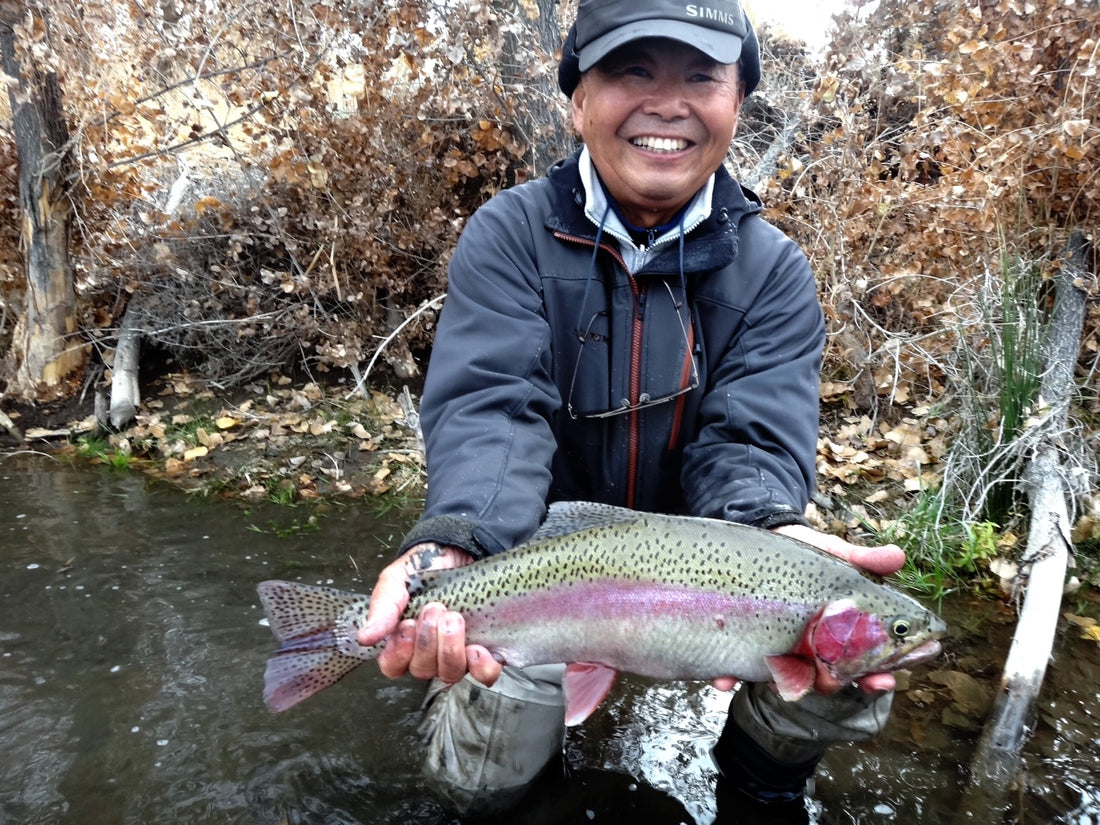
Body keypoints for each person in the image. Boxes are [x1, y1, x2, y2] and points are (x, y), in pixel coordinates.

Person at [357, 0, 906, 818]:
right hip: (541, 551)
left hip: (706, 561)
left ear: (737, 104)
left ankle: (760, 788)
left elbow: (751, 442)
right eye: (632, 71)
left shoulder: (773, 270)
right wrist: (457, 541)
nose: (668, 103)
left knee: (854, 677)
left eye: (700, 77)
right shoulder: (510, 236)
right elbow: (494, 412)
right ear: (577, 100)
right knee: (480, 782)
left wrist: (775, 533)